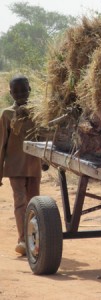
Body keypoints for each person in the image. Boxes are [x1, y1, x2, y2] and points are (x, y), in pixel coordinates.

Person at [0, 75, 42, 256]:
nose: (20, 94)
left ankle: (36, 239)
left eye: (23, 90)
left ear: (30, 89)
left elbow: (44, 137)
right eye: (16, 91)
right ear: (10, 93)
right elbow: (1, 144)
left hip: (34, 165)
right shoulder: (6, 114)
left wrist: (46, 161)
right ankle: (23, 239)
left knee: (35, 203)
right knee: (20, 203)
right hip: (15, 167)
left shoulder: (38, 111)